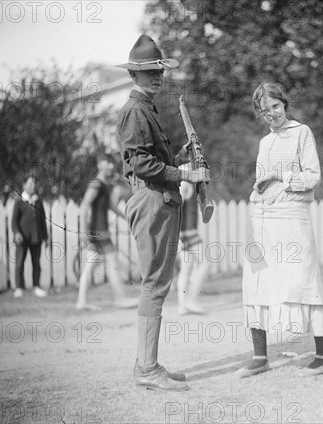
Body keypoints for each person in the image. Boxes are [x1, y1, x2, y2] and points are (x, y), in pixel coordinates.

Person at [116, 34, 210, 392]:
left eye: (159, 69)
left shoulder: (145, 109)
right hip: (151, 200)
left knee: (157, 283)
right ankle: (147, 368)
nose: (157, 75)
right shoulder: (135, 111)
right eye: (149, 71)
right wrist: (184, 173)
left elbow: (152, 160)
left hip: (160, 199)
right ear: (133, 75)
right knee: (155, 284)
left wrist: (180, 157)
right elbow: (140, 163)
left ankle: (147, 364)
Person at [237, 83, 323, 378]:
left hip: (293, 218)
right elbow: (261, 183)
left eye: (275, 107)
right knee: (256, 282)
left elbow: (313, 177)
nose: (271, 115)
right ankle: (260, 357)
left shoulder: (302, 132)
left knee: (304, 282)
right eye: (264, 111)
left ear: (284, 104)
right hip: (264, 218)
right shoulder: (264, 143)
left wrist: (281, 175)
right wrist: (257, 197)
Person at [75, 153, 139, 311]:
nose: (110, 166)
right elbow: (84, 207)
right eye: (106, 163)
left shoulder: (104, 184)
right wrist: (83, 232)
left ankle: (82, 302)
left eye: (111, 163)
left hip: (99, 231)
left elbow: (111, 206)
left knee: (92, 266)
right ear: (99, 165)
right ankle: (120, 299)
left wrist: (127, 218)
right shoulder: (96, 184)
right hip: (98, 232)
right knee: (113, 263)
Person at [176, 170, 208, 315]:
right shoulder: (186, 185)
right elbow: (178, 207)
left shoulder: (186, 185)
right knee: (204, 264)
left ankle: (183, 306)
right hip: (189, 233)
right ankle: (191, 300)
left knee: (186, 268)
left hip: (183, 233)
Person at [11, 176, 49, 298]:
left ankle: (36, 287)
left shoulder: (38, 201)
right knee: (20, 262)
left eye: (34, 183)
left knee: (36, 263)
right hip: (22, 238)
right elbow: (14, 221)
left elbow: (43, 220)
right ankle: (19, 288)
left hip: (36, 237)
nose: (33, 186)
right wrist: (17, 233)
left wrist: (46, 237)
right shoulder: (19, 201)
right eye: (30, 183)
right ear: (24, 185)